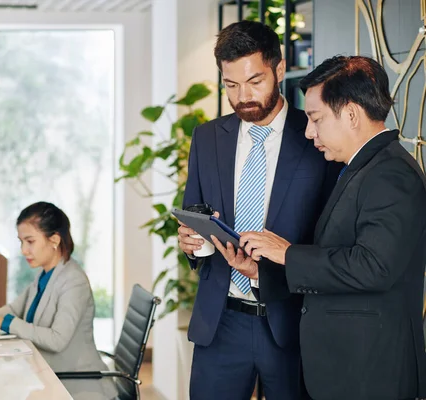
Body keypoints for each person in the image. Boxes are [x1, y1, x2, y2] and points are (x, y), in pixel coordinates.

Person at [239, 55, 426, 400]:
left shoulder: (391, 174)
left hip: (370, 373)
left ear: (351, 115)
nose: (309, 132)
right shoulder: (359, 167)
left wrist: (289, 254)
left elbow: (374, 267)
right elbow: (339, 261)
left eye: (315, 118)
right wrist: (265, 269)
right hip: (348, 369)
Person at [177, 21, 340, 399]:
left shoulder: (317, 137)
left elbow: (330, 238)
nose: (243, 96)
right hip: (220, 324)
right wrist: (194, 243)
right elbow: (195, 214)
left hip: (291, 324)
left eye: (254, 81)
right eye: (231, 85)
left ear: (279, 69)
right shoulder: (206, 138)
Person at [0, 202, 117, 400]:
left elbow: (57, 340)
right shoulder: (45, 275)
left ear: (54, 240)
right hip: (48, 376)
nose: (23, 250)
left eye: (30, 241)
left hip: (76, 386)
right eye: (22, 242)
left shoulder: (74, 281)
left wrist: (4, 322)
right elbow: (14, 309)